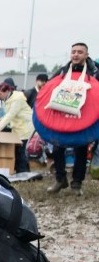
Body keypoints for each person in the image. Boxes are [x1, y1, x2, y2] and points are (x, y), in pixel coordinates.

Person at [47, 42, 95, 195]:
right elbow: (49, 89)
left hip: (84, 118)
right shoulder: (62, 71)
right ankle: (60, 179)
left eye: (80, 52)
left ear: (86, 55)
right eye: (73, 51)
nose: (76, 54)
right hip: (63, 117)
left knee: (81, 149)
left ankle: (76, 184)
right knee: (57, 148)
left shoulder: (94, 72)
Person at [0, 79, 34, 173]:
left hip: (25, 128)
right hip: (18, 128)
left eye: (0, 94)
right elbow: (9, 115)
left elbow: (10, 115)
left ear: (7, 91)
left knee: (20, 151)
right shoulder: (9, 98)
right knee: (17, 150)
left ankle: (22, 172)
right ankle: (22, 170)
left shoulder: (17, 99)